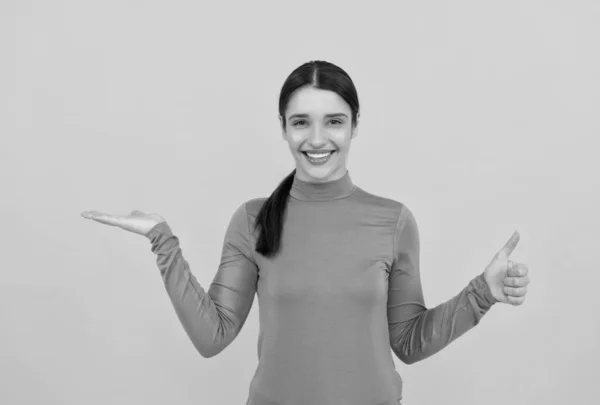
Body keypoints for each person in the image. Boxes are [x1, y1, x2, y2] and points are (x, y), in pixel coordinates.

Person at [81, 60, 531, 405]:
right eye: (301, 122)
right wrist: (162, 239)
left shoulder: (393, 221)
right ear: (283, 129)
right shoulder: (252, 220)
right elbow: (212, 335)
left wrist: (481, 294)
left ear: (355, 125)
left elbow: (408, 343)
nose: (317, 139)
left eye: (333, 120)